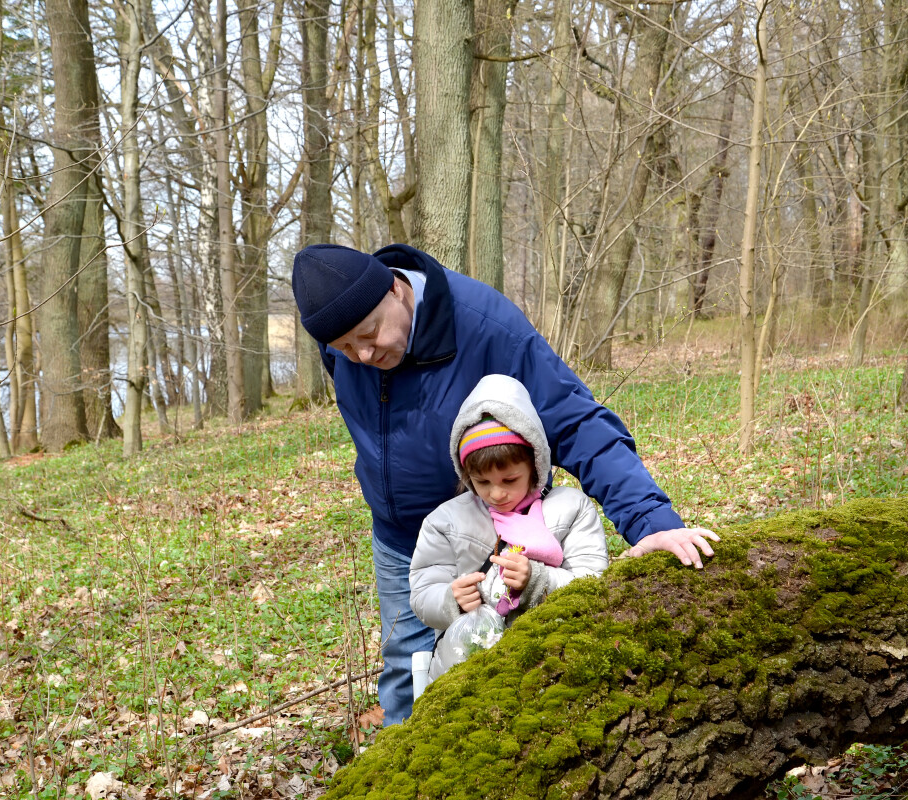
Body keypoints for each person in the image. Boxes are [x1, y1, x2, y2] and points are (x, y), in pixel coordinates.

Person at [291, 242, 718, 725]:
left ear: (395, 287)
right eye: (345, 348)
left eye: (369, 334)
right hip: (400, 539)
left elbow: (577, 425)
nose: (363, 355)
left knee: (506, 659)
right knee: (404, 668)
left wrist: (651, 522)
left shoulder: (485, 327)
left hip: (497, 533)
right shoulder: (348, 338)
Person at [409, 374, 610, 684]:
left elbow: (594, 585)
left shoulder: (571, 509)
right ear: (466, 474)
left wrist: (536, 580)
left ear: (535, 465)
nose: (496, 493)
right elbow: (423, 592)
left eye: (509, 480)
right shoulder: (446, 522)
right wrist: (451, 599)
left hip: (553, 666)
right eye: (482, 482)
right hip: (467, 670)